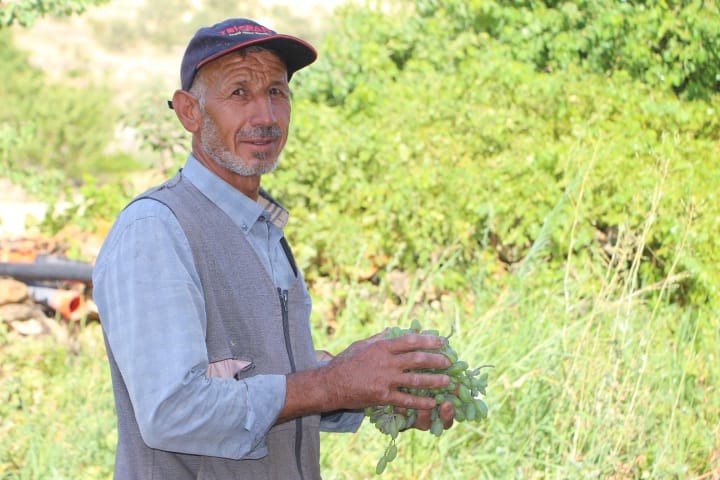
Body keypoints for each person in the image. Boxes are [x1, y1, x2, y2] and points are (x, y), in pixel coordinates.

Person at [92, 18, 455, 480]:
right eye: (239, 92)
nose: (265, 116)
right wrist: (330, 383)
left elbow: (274, 382)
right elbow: (172, 411)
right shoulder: (155, 229)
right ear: (189, 112)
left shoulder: (261, 226)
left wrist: (376, 387)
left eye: (277, 92)